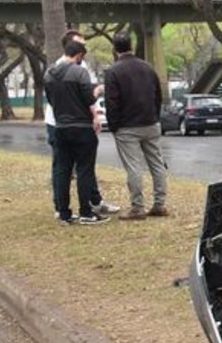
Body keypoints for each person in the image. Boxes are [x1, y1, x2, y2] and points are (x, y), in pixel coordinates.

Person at [103, 32, 170, 220]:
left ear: (115, 49)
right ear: (131, 45)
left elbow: (112, 102)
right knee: (157, 164)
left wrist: (114, 125)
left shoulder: (114, 72)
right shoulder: (148, 68)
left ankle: (138, 207)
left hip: (127, 126)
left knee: (134, 167)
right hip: (150, 122)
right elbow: (158, 96)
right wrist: (155, 117)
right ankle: (160, 204)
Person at [45, 32, 108, 225]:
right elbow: (88, 99)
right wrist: (96, 91)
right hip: (81, 127)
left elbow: (50, 99)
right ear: (79, 55)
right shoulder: (79, 72)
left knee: (63, 170)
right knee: (84, 170)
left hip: (61, 127)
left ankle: (63, 212)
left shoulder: (49, 73)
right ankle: (86, 212)